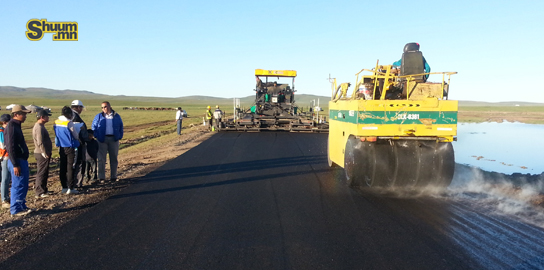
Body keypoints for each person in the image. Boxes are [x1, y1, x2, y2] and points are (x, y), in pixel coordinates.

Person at [5, 105, 33, 216]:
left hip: (21, 159)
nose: (25, 116)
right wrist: (15, 164)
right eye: (24, 114)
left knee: (23, 183)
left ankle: (21, 205)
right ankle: (16, 209)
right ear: (16, 114)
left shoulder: (16, 126)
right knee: (18, 184)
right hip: (16, 160)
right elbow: (10, 146)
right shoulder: (11, 126)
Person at [92, 101, 123, 182]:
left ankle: (113, 176)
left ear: (109, 106)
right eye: (102, 107)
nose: (103, 109)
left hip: (114, 139)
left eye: (105, 107)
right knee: (101, 159)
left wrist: (119, 136)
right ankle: (101, 177)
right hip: (102, 139)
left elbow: (121, 126)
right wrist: (96, 136)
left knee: (113, 158)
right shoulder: (99, 116)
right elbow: (94, 127)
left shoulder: (116, 116)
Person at [54, 106, 80, 195]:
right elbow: (75, 135)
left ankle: (64, 187)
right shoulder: (69, 123)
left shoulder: (56, 122)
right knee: (70, 167)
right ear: (69, 114)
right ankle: (71, 187)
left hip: (61, 146)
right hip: (70, 146)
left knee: (63, 166)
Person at [32, 109, 53, 198]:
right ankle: (39, 191)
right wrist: (44, 152)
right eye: (47, 116)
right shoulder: (39, 127)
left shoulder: (40, 126)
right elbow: (40, 142)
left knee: (44, 172)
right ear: (42, 117)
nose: (48, 118)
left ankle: (43, 189)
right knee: (41, 172)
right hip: (41, 153)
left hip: (42, 152)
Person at [70, 100, 89, 188]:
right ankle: (77, 183)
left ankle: (72, 183)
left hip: (72, 144)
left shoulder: (70, 116)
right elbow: (78, 132)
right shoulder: (75, 117)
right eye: (81, 107)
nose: (81, 109)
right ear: (78, 107)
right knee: (79, 163)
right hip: (78, 143)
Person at [0, 114, 11, 209]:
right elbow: (3, 145)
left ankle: (6, 197)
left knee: (7, 179)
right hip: (5, 156)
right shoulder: (2, 132)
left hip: (6, 156)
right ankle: (4, 199)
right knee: (5, 179)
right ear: (4, 123)